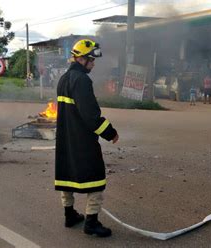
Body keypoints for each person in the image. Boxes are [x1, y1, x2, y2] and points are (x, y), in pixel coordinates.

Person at [55, 39, 119, 238]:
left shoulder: (64, 78)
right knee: (96, 179)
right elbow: (90, 115)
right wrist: (110, 132)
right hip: (82, 140)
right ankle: (91, 223)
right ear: (81, 59)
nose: (93, 64)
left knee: (66, 176)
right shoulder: (81, 80)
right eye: (91, 60)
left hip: (65, 138)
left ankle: (69, 215)